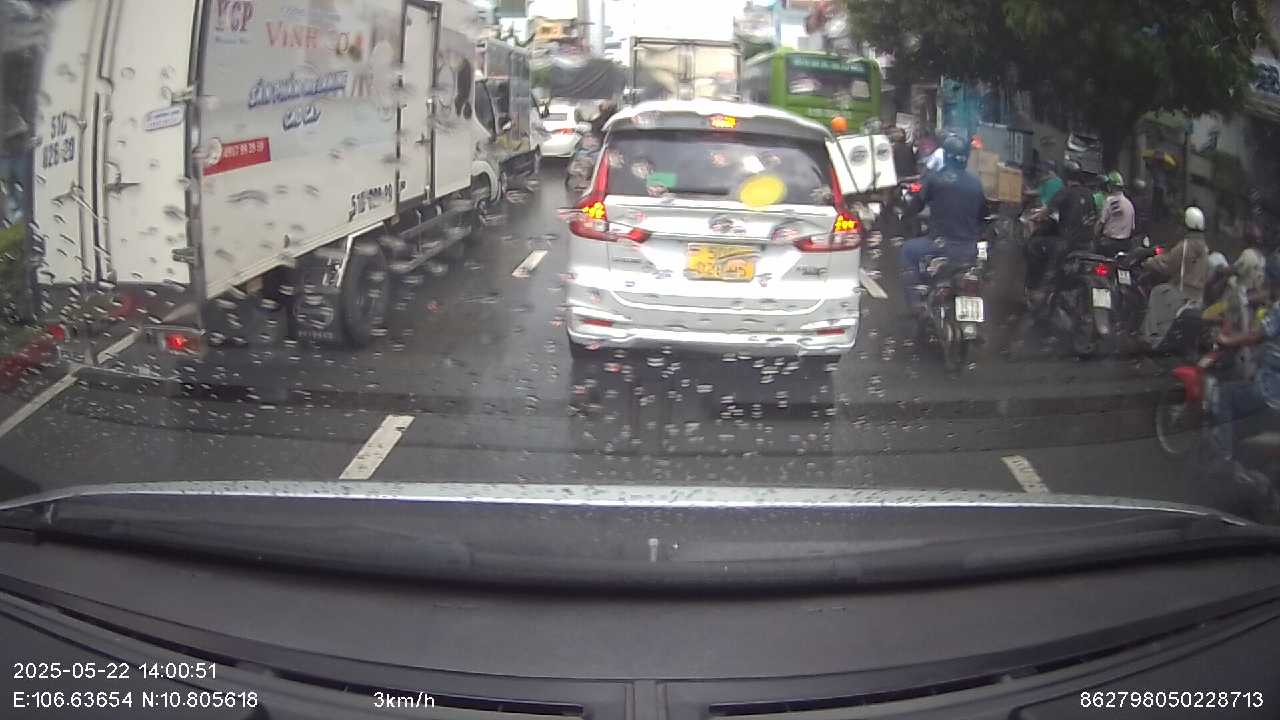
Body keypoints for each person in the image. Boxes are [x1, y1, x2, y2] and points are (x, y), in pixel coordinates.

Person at [899, 134, 987, 309]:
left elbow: (916, 204)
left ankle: (916, 303)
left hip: (940, 245)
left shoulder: (935, 178)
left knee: (907, 251)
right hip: (968, 249)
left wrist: (905, 216)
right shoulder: (976, 183)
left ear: (945, 155)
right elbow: (983, 215)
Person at [1211, 254, 1280, 459]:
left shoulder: (1277, 309)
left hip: (1271, 388)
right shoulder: (1250, 297)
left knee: (1225, 393)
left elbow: (1255, 336)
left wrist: (1226, 340)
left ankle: (1224, 457)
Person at [1030, 159, 1096, 309]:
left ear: (1065, 176)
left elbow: (1044, 213)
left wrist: (1034, 216)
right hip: (1089, 244)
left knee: (1034, 246)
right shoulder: (1089, 194)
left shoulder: (1065, 192)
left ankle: (1040, 292)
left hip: (1067, 244)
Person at [1095, 170, 1136, 256]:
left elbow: (1100, 223)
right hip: (1125, 244)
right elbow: (1132, 228)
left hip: (1108, 245)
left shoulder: (1110, 201)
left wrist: (1094, 236)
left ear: (1110, 186)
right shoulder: (1129, 204)